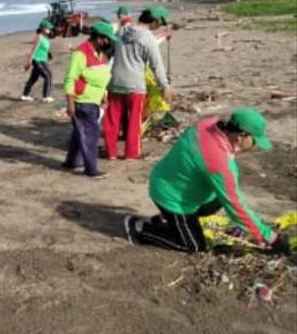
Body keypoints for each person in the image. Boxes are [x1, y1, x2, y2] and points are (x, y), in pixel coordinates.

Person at [124, 108, 291, 255]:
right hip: (171, 197)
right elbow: (237, 207)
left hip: (166, 177)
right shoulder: (219, 162)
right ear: (241, 136)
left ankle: (170, 221)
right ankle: (141, 229)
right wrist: (271, 238)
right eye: (254, 141)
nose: (254, 146)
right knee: (193, 246)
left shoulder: (208, 124)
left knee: (217, 200)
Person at [103, 6, 172, 160]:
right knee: (135, 120)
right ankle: (132, 153)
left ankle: (111, 152)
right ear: (154, 21)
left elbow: (110, 53)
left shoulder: (121, 32)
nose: (159, 26)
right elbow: (157, 65)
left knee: (112, 119)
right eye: (160, 23)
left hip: (116, 82)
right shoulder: (148, 38)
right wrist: (165, 86)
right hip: (136, 85)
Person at [63, 21, 117, 179]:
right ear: (99, 38)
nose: (109, 43)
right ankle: (91, 169)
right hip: (82, 101)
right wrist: (70, 103)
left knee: (80, 133)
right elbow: (70, 79)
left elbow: (102, 77)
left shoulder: (100, 54)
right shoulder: (80, 54)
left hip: (94, 100)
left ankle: (71, 161)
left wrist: (103, 95)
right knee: (90, 135)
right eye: (108, 39)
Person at [21, 20, 54, 103]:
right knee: (48, 75)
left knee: (33, 78)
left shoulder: (46, 38)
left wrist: (49, 55)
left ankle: (25, 95)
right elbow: (34, 49)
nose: (49, 30)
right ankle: (46, 96)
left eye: (49, 29)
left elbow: (45, 49)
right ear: (42, 29)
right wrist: (29, 60)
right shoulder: (39, 37)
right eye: (48, 28)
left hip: (42, 59)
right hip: (37, 59)